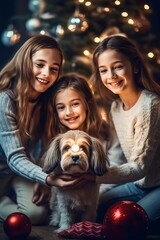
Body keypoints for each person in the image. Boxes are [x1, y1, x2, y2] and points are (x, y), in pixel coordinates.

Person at [80, 35, 160, 227]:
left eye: (118, 66)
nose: (111, 76)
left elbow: (139, 167)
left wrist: (93, 175)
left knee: (128, 222)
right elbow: (119, 158)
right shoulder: (116, 107)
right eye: (104, 70)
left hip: (157, 185)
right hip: (139, 185)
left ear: (135, 66)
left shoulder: (150, 105)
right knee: (96, 208)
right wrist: (96, 185)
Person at [0, 35, 78, 225]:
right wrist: (48, 179)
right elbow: (15, 157)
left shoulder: (46, 99)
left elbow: (47, 146)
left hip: (16, 173)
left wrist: (43, 177)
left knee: (39, 214)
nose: (46, 74)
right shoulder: (5, 100)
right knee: (25, 219)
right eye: (40, 65)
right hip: (5, 169)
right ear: (25, 62)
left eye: (53, 69)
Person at [50, 72, 126, 190]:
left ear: (87, 104)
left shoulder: (107, 131)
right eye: (61, 107)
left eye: (75, 104)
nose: (69, 112)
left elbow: (115, 165)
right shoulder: (55, 136)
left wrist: (94, 196)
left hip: (100, 191)